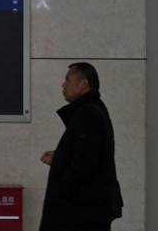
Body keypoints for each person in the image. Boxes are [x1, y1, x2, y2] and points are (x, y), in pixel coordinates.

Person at [39, 62, 123, 231]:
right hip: (86, 210)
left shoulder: (88, 114)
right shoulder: (91, 111)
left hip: (79, 213)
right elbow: (85, 154)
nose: (63, 85)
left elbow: (84, 164)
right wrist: (59, 157)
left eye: (68, 80)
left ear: (83, 84)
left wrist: (60, 193)